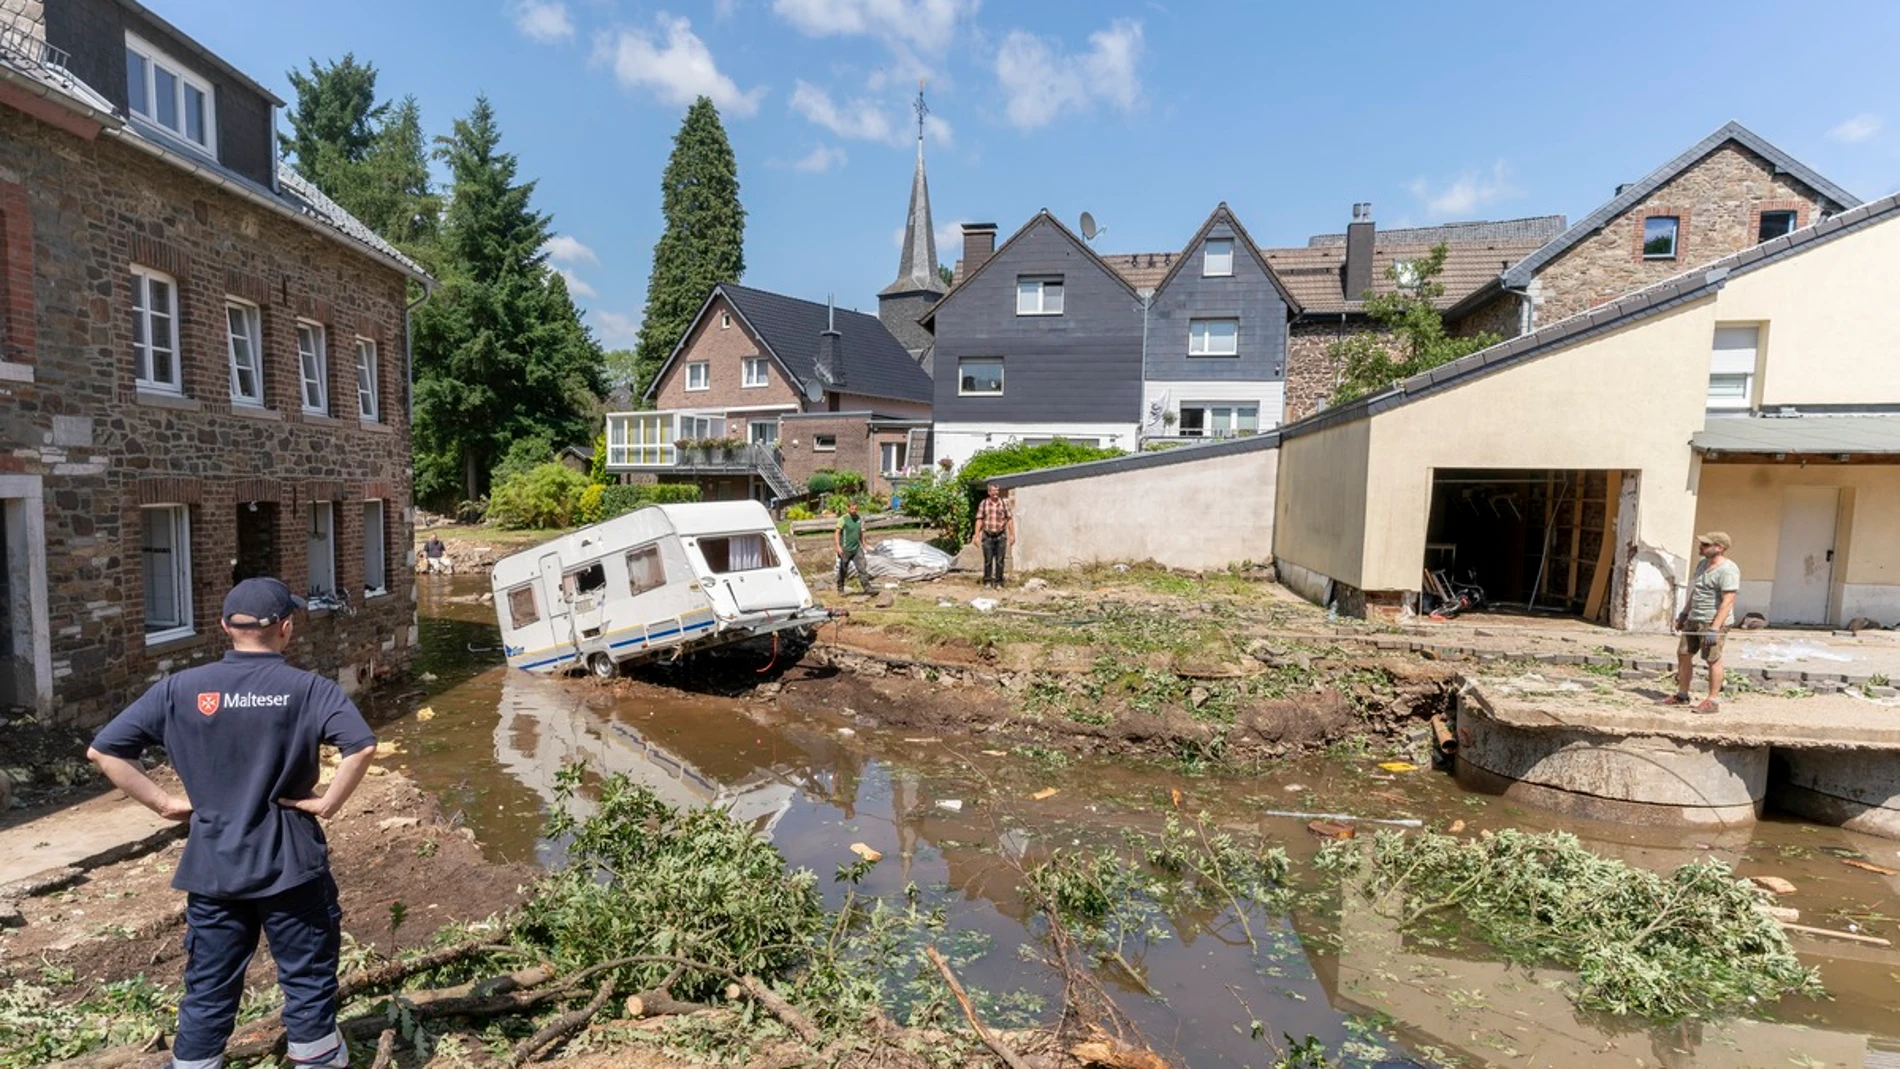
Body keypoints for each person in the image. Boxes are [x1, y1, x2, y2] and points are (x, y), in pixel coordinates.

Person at [87, 578, 378, 1069]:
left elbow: (104, 751)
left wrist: (162, 803)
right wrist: (328, 802)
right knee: (306, 981)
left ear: (226, 627)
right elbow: (362, 745)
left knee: (209, 986)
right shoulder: (308, 689)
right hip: (290, 864)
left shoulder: (180, 688)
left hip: (214, 867)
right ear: (286, 628)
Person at [1663, 532, 1741, 713]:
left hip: (1712, 621)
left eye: (1706, 545)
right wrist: (1684, 614)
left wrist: (1715, 628)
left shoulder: (1728, 570)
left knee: (1712, 659)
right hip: (1695, 618)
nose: (1701, 547)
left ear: (1719, 548)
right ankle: (1682, 695)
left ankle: (1712, 701)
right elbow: (1697, 592)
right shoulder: (1702, 565)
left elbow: (1728, 600)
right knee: (1683, 653)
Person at [971, 483, 1015, 588]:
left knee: (1000, 560)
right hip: (987, 535)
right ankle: (987, 581)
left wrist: (1012, 534)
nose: (996, 493)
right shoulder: (984, 503)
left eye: (997, 491)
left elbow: (1009, 519)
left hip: (1000, 535)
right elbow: (979, 519)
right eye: (994, 491)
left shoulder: (1003, 504)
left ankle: (999, 582)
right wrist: (976, 535)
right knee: (988, 560)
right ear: (989, 492)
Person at [834, 500, 871, 595]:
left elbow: (861, 532)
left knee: (862, 567)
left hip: (856, 548)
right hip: (846, 549)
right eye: (852, 509)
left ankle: (867, 588)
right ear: (848, 508)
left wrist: (864, 543)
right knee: (843, 569)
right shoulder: (843, 519)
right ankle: (840, 587)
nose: (854, 510)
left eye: (856, 509)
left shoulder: (858, 518)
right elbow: (837, 533)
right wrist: (838, 546)